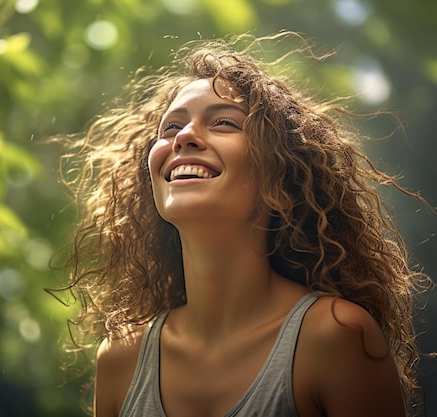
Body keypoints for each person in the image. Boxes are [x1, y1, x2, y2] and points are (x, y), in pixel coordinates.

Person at [56, 32, 431, 417]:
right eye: (170, 128)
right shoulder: (121, 357)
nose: (184, 137)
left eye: (223, 123)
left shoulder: (334, 336)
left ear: (280, 187)